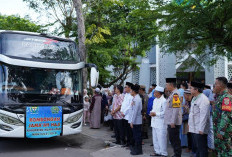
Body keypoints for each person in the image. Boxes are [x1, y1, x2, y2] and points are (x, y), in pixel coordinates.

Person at [189, 81, 210, 157]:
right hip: (194, 128)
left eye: (191, 88)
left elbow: (203, 115)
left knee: (202, 149)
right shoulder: (194, 98)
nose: (189, 89)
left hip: (200, 129)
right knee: (197, 148)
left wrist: (201, 129)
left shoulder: (203, 99)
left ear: (196, 90)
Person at [213, 77, 232, 157]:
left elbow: (225, 115)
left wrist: (221, 131)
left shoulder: (226, 97)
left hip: (224, 132)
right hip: (218, 130)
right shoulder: (220, 96)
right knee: (220, 151)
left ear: (220, 85)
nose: (214, 86)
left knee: (226, 152)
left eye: (215, 84)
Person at [164, 78, 182, 157]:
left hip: (173, 122)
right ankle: (176, 154)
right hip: (170, 120)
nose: (166, 86)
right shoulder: (172, 93)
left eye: (167, 85)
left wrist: (173, 121)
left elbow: (176, 108)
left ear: (171, 85)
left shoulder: (175, 94)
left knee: (174, 139)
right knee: (172, 139)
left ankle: (177, 154)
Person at [150, 86, 168, 157]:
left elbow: (165, 112)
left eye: (155, 92)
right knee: (155, 138)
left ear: (159, 93)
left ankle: (163, 153)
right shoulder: (155, 100)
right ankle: (157, 151)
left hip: (161, 123)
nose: (154, 93)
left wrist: (156, 114)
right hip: (154, 122)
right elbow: (153, 109)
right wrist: (151, 113)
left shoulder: (164, 101)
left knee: (161, 139)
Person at [129, 84, 143, 155]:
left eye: (131, 90)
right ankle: (136, 149)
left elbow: (135, 111)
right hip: (135, 120)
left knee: (137, 136)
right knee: (135, 135)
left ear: (134, 91)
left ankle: (138, 150)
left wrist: (132, 121)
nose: (130, 91)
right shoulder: (135, 98)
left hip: (136, 121)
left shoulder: (137, 99)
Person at [120, 82, 134, 147]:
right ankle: (127, 143)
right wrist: (121, 111)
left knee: (129, 131)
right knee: (125, 130)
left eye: (126, 87)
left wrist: (124, 112)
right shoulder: (126, 94)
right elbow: (123, 104)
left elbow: (130, 106)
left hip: (128, 116)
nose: (124, 88)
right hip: (124, 115)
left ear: (129, 88)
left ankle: (130, 144)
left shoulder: (131, 95)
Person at [183, 89, 194, 154]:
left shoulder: (192, 101)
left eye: (185, 95)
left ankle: (192, 148)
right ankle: (189, 147)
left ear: (188, 95)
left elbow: (192, 112)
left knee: (192, 135)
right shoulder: (186, 101)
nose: (184, 96)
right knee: (188, 134)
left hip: (191, 121)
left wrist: (186, 108)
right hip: (186, 120)